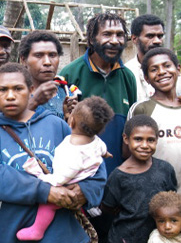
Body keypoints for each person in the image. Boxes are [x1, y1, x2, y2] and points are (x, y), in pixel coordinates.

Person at [0, 63, 107, 243]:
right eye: (2, 90)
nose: (10, 96)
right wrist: (47, 192)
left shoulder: (57, 125)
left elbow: (94, 163)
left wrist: (83, 191)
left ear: (31, 90)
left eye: (18, 89)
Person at [17, 96, 113, 241]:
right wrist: (105, 154)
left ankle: (37, 230)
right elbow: (103, 149)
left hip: (68, 183)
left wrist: (42, 177)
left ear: (72, 120)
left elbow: (61, 178)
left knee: (48, 205)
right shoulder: (95, 140)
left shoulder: (70, 150)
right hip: (86, 175)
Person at [59, 12, 137, 173]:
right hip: (79, 176)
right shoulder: (71, 73)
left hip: (118, 175)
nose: (114, 41)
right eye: (107, 34)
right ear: (92, 39)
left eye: (120, 35)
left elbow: (130, 128)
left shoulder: (128, 77)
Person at [100, 115, 177, 243]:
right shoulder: (118, 175)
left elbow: (172, 201)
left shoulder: (165, 169)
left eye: (151, 140)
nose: (144, 145)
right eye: (138, 139)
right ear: (126, 139)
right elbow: (107, 207)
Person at [128, 47, 181, 193]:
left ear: (178, 69)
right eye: (154, 69)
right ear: (146, 78)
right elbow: (128, 153)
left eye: (167, 66)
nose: (162, 72)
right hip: (154, 194)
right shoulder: (142, 109)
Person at [0, 30, 77, 123]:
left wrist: (69, 118)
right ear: (23, 60)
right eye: (38, 55)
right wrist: (33, 102)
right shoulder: (10, 94)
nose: (47, 62)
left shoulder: (66, 93)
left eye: (52, 55)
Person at [125, 14, 165, 102]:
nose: (157, 41)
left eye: (160, 36)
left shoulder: (170, 71)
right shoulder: (126, 73)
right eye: (150, 36)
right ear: (134, 39)